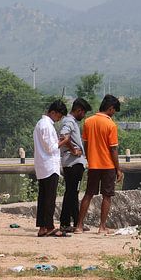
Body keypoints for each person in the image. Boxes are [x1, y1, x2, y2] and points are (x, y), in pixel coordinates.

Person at [76, 94, 123, 234]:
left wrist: (90, 159)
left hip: (93, 165)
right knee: (107, 196)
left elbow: (86, 143)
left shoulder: (88, 122)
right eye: (114, 110)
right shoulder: (110, 125)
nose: (114, 114)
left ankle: (79, 225)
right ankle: (102, 227)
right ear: (110, 108)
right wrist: (118, 169)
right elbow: (113, 149)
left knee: (88, 194)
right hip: (107, 165)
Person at [33, 99, 73, 237]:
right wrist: (64, 141)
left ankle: (43, 226)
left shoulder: (41, 124)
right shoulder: (46, 125)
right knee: (49, 197)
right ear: (53, 112)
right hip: (49, 165)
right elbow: (51, 147)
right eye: (59, 116)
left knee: (44, 197)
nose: (59, 119)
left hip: (43, 165)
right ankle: (48, 226)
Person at [58, 97, 92, 232]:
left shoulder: (71, 122)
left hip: (73, 162)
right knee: (71, 193)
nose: (83, 116)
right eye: (83, 113)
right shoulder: (69, 121)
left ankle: (76, 222)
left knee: (72, 192)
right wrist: (73, 150)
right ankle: (66, 222)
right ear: (78, 110)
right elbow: (63, 135)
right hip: (73, 162)